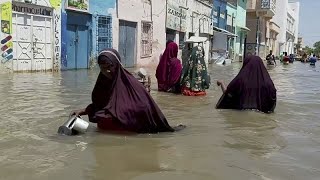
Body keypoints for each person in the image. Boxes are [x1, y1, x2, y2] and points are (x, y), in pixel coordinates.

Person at [71, 48, 184, 133]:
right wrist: (83, 111)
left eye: (109, 66)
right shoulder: (102, 84)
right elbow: (99, 105)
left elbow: (143, 107)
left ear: (116, 65)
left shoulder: (133, 86)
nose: (107, 71)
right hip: (105, 134)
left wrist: (113, 114)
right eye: (102, 68)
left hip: (126, 134)